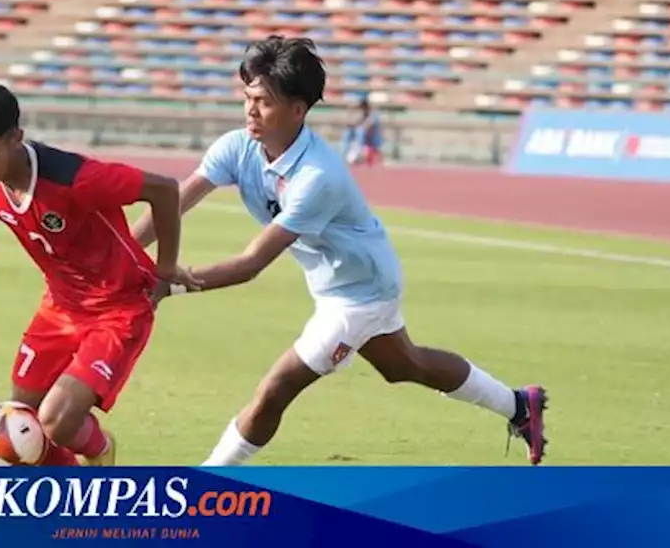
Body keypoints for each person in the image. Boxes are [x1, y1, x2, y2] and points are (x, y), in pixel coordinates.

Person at [132, 36, 549, 466]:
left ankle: (207, 485)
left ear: (298, 110)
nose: (251, 110)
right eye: (247, 97)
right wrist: (125, 251)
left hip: (360, 293)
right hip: (341, 282)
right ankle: (519, 405)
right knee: (405, 365)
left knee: (275, 390)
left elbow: (251, 264)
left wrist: (172, 285)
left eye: (264, 102)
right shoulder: (236, 147)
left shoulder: (317, 176)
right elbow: (175, 203)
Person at [0, 83, 193, 467]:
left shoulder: (76, 179)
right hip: (60, 307)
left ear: (16, 138)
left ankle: (99, 450)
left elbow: (164, 190)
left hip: (118, 308)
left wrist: (165, 268)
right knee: (20, 421)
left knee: (56, 420)